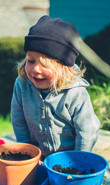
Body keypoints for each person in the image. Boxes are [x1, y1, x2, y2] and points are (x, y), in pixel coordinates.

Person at [11, 15, 100, 158]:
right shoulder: (22, 85)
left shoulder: (75, 93)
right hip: (38, 156)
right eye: (31, 60)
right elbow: (18, 120)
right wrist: (27, 153)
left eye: (44, 65)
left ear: (64, 68)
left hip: (70, 159)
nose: (35, 69)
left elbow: (87, 131)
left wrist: (80, 161)